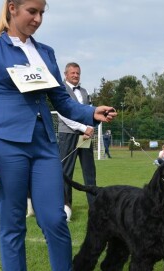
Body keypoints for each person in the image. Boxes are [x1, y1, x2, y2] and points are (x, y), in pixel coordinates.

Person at [0, 1, 116, 271]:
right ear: (12, 8)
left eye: (42, 13)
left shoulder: (45, 52)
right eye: (32, 11)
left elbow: (62, 101)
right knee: (12, 223)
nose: (38, 19)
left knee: (55, 218)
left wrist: (91, 112)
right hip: (6, 146)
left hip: (44, 146)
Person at [58, 62, 97, 221]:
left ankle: (95, 208)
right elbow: (63, 114)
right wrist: (83, 128)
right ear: (66, 74)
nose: (75, 75)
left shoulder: (84, 91)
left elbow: (88, 112)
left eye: (78, 73)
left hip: (85, 135)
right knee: (66, 173)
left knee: (90, 171)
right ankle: (66, 208)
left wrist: (90, 127)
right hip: (68, 134)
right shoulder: (60, 90)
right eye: (72, 73)